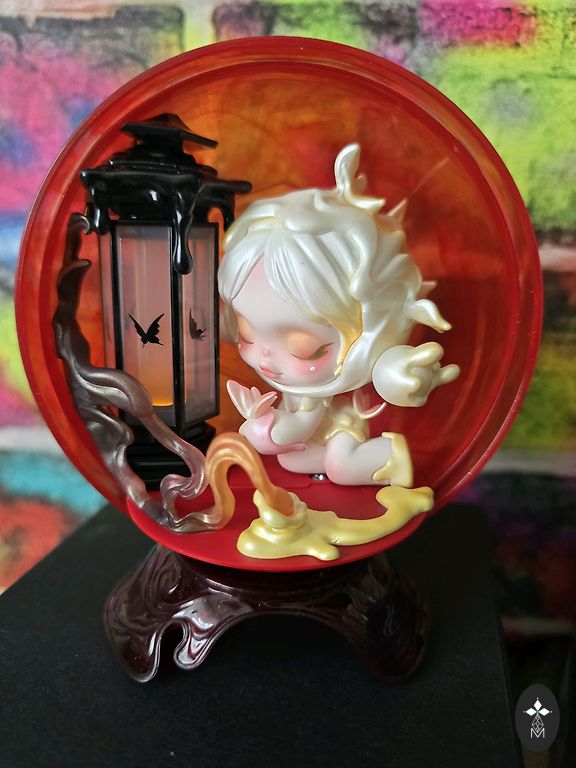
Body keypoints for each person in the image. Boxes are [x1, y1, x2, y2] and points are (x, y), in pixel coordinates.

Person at [218, 144, 459, 486]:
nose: (266, 357)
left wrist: (263, 426)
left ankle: (393, 455)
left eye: (303, 348)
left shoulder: (311, 397)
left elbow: (296, 428)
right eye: (247, 332)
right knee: (290, 459)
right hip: (314, 435)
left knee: (341, 465)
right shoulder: (294, 386)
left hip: (341, 427)